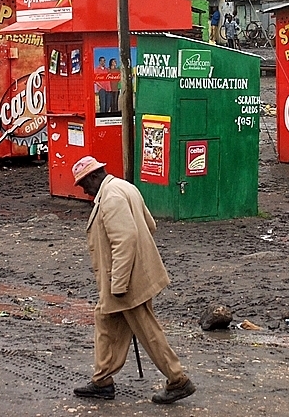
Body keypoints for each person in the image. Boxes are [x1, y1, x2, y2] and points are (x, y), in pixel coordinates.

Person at [71, 156, 196, 404]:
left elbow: (124, 240)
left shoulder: (111, 198)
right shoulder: (124, 187)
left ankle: (178, 379)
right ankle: (102, 380)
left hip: (126, 278)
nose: (83, 190)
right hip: (130, 273)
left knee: (147, 330)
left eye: (83, 184)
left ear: (94, 176)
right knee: (106, 321)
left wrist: (118, 283)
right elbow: (150, 225)